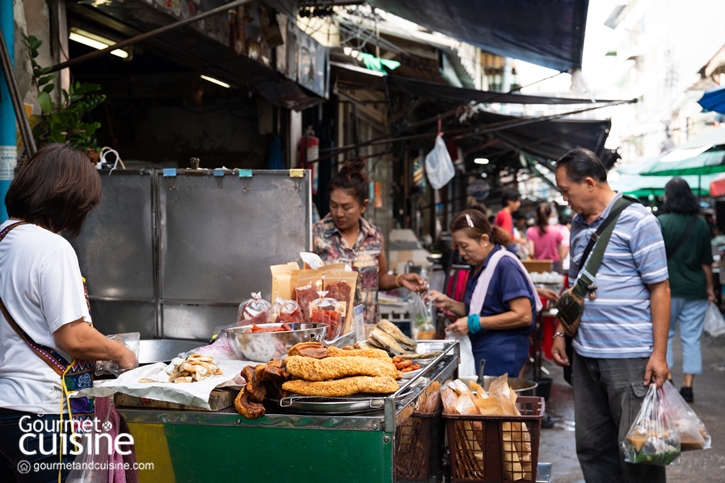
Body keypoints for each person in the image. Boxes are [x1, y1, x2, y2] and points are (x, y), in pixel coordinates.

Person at [0, 144, 138, 482]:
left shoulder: (4, 238)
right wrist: (122, 353)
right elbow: (73, 336)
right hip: (41, 416)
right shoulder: (52, 248)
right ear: (70, 202)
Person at [550, 148, 669, 483]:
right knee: (592, 447)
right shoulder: (576, 225)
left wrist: (658, 355)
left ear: (588, 183)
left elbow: (661, 289)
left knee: (639, 451)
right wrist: (562, 333)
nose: (564, 199)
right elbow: (575, 287)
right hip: (585, 355)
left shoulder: (640, 220)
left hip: (629, 358)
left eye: (565, 191)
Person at [313, 157, 427, 324]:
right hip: (329, 329)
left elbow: (378, 277)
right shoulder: (316, 234)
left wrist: (399, 279)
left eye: (346, 207)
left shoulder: (374, 235)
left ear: (363, 206)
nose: (338, 213)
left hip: (366, 328)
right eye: (333, 205)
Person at [427, 209, 540, 377]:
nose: (462, 253)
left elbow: (523, 315)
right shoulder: (479, 267)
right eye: (458, 247)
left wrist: (473, 323)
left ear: (484, 240)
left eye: (464, 246)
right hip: (482, 355)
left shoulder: (505, 266)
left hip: (503, 358)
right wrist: (448, 303)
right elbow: (480, 310)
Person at [658, 178, 714, 403]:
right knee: (691, 339)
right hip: (695, 290)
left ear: (668, 196)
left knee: (666, 335)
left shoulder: (660, 222)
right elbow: (706, 263)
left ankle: (668, 379)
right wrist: (710, 287)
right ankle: (688, 387)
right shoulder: (700, 225)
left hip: (666, 290)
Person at [526, 203, 565, 273]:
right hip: (555, 266)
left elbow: (531, 253)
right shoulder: (556, 231)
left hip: (539, 267)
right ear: (550, 215)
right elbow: (560, 254)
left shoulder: (530, 231)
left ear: (537, 215)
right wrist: (561, 267)